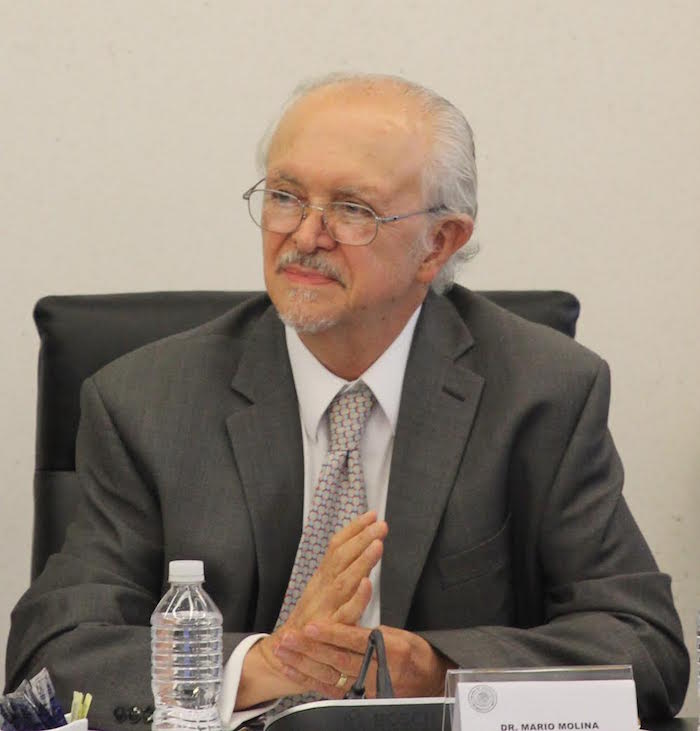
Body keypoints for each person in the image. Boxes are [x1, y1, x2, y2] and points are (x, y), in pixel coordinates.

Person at [6, 73, 689, 730]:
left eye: (352, 209)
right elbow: (53, 654)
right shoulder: (147, 401)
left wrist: (436, 666)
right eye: (285, 196)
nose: (305, 234)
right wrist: (264, 664)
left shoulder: (542, 392)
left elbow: (643, 645)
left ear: (439, 242)